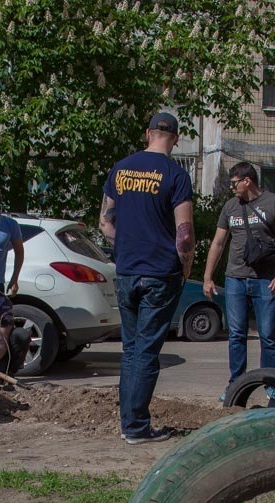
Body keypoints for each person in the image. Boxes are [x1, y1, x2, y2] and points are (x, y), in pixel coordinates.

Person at [100, 111, 194, 444]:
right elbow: (183, 235)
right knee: (146, 352)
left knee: (131, 350)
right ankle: (136, 428)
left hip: (126, 271)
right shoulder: (176, 174)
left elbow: (105, 223)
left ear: (147, 133)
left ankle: (129, 423)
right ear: (176, 139)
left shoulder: (120, 169)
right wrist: (186, 264)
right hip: (159, 273)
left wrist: (125, 245)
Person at [201, 162, 275, 397]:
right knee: (236, 334)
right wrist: (207, 276)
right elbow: (218, 242)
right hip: (235, 279)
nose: (231, 187)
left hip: (266, 280)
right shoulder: (231, 207)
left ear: (247, 181)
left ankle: (273, 384)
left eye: (234, 183)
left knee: (267, 335)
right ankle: (236, 385)